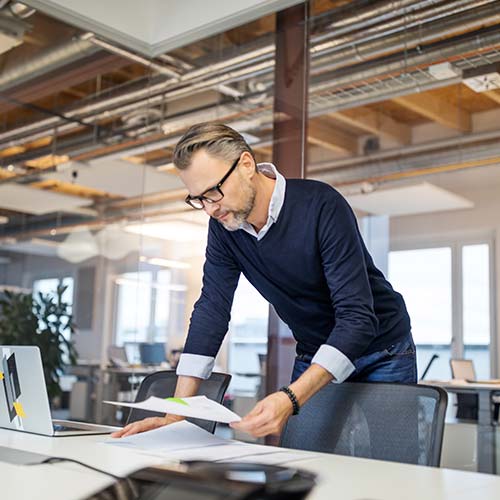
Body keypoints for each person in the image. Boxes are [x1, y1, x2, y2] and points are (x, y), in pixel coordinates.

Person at [112, 122, 416, 439]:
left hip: (383, 348)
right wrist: (177, 413)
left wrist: (292, 397)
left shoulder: (321, 205)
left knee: (390, 462)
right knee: (305, 464)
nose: (210, 208)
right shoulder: (223, 228)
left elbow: (357, 318)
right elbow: (211, 310)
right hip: (315, 350)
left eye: (214, 191)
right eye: (198, 199)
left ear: (246, 164)